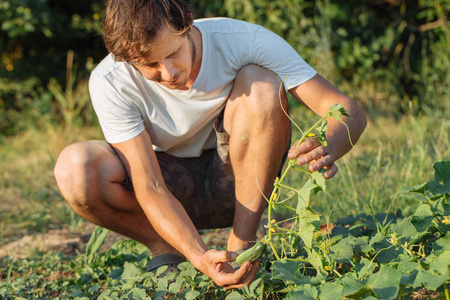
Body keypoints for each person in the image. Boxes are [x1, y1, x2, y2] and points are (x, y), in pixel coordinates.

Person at [54, 0, 367, 289]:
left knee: (261, 84)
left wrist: (328, 143)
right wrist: (197, 254)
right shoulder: (110, 81)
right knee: (75, 168)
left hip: (237, 180)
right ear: (126, 60)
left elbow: (346, 109)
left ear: (188, 24)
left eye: (173, 53)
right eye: (149, 64)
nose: (169, 73)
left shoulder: (244, 40)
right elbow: (149, 185)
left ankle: (242, 244)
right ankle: (168, 249)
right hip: (166, 189)